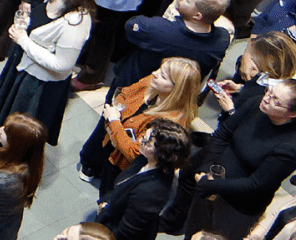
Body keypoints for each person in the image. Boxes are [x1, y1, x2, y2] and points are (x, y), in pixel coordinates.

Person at [188, 79, 296, 238]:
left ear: (294, 114)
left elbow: (255, 184)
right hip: (211, 182)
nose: (267, 99)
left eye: (276, 101)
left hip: (238, 207)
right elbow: (222, 135)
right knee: (194, 234)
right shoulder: (256, 105)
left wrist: (214, 185)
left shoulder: (292, 147)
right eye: (270, 92)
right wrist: (206, 170)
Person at [0, 0, 94, 144]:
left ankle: (12, 153)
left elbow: (62, 65)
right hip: (24, 66)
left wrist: (24, 41)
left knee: (23, 128)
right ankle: (6, 140)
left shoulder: (76, 23)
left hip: (38, 82)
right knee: (10, 117)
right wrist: (24, 24)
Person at [81, 56, 204, 188]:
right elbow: (124, 93)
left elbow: (137, 154)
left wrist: (114, 121)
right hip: (113, 148)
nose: (154, 74)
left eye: (163, 76)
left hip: (124, 167)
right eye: (159, 70)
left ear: (177, 89)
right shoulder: (152, 82)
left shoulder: (170, 122)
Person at [93, 119, 190, 240]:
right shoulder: (146, 159)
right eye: (144, 136)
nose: (140, 141)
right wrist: (106, 203)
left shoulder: (151, 192)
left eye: (147, 142)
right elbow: (123, 184)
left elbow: (125, 233)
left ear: (162, 153)